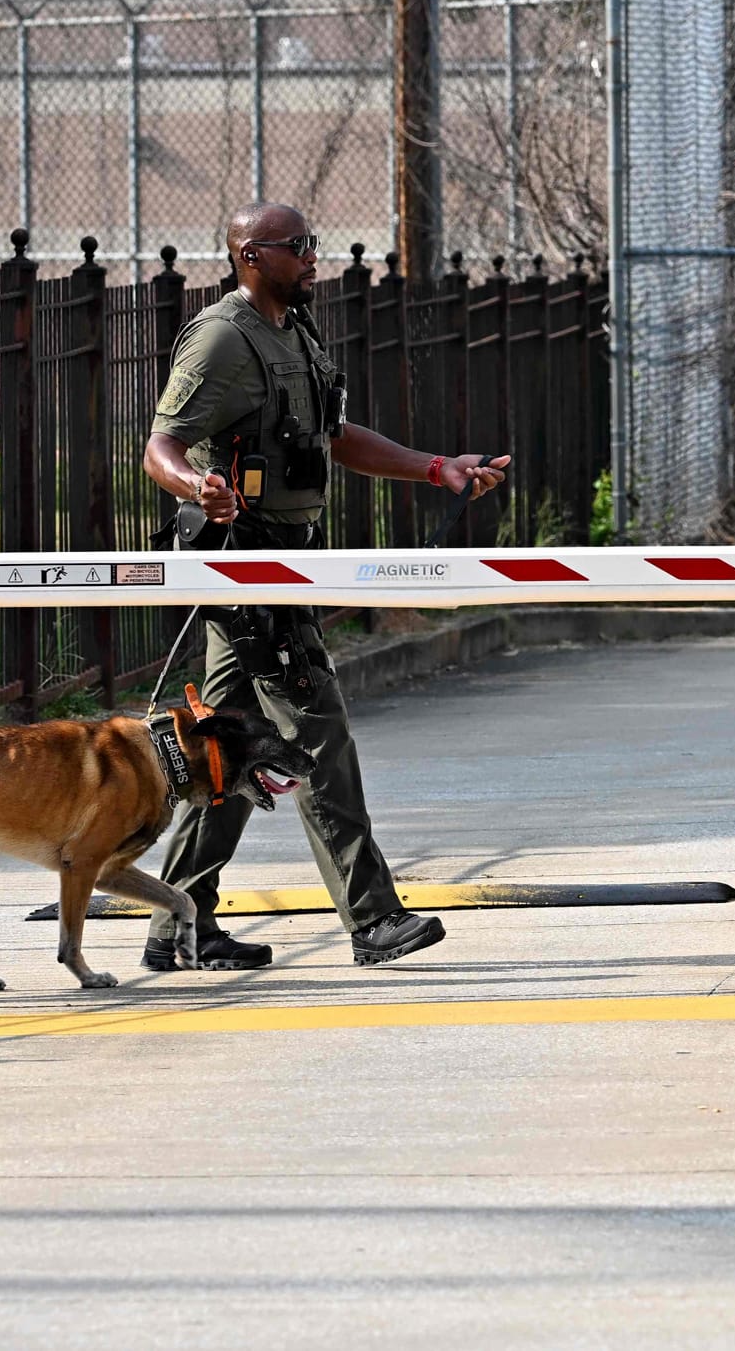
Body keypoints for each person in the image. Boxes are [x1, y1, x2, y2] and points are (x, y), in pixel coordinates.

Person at [139, 202, 510, 970]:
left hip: (285, 559)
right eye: (297, 246)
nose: (314, 256)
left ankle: (178, 924)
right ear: (249, 254)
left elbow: (335, 438)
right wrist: (196, 485)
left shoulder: (296, 331)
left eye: (313, 244)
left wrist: (437, 467)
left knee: (229, 750)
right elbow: (160, 444)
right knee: (317, 739)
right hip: (246, 561)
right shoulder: (221, 338)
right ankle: (373, 919)